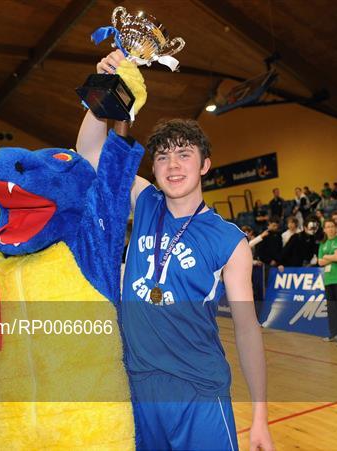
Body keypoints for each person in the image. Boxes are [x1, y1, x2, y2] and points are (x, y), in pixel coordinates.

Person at [76, 50, 274, 451]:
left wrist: (259, 415)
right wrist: (103, 90)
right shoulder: (145, 201)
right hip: (138, 385)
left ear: (205, 165)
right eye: (163, 156)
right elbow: (90, 156)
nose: (172, 165)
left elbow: (247, 329)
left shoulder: (229, 240)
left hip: (198, 391)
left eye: (185, 154)